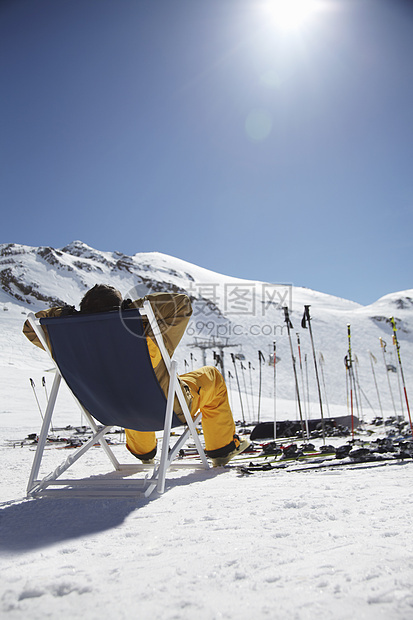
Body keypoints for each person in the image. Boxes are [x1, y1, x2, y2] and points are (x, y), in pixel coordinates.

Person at [23, 284, 250, 466]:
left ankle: (143, 452)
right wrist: (129, 308)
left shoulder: (66, 338)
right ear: (120, 306)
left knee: (123, 388)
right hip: (165, 408)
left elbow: (30, 327)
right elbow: (180, 303)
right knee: (211, 376)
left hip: (108, 410)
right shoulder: (140, 327)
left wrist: (68, 315)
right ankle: (222, 449)